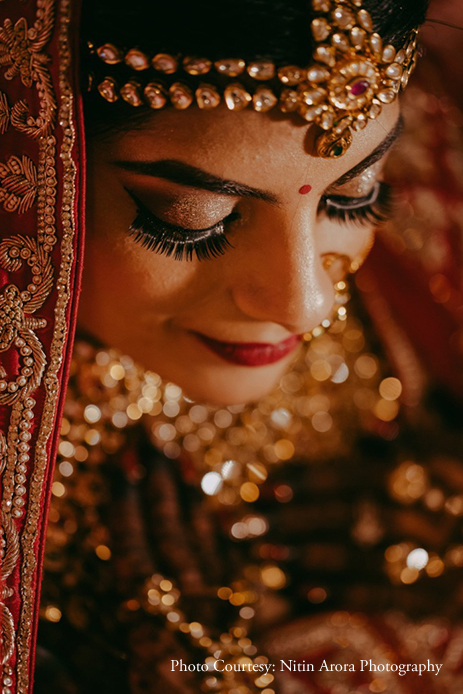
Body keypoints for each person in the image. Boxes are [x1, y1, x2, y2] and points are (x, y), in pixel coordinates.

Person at [1, 0, 462, 692]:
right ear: (33, 169)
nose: (304, 302)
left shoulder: (417, 253)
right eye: (192, 221)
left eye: (354, 195)